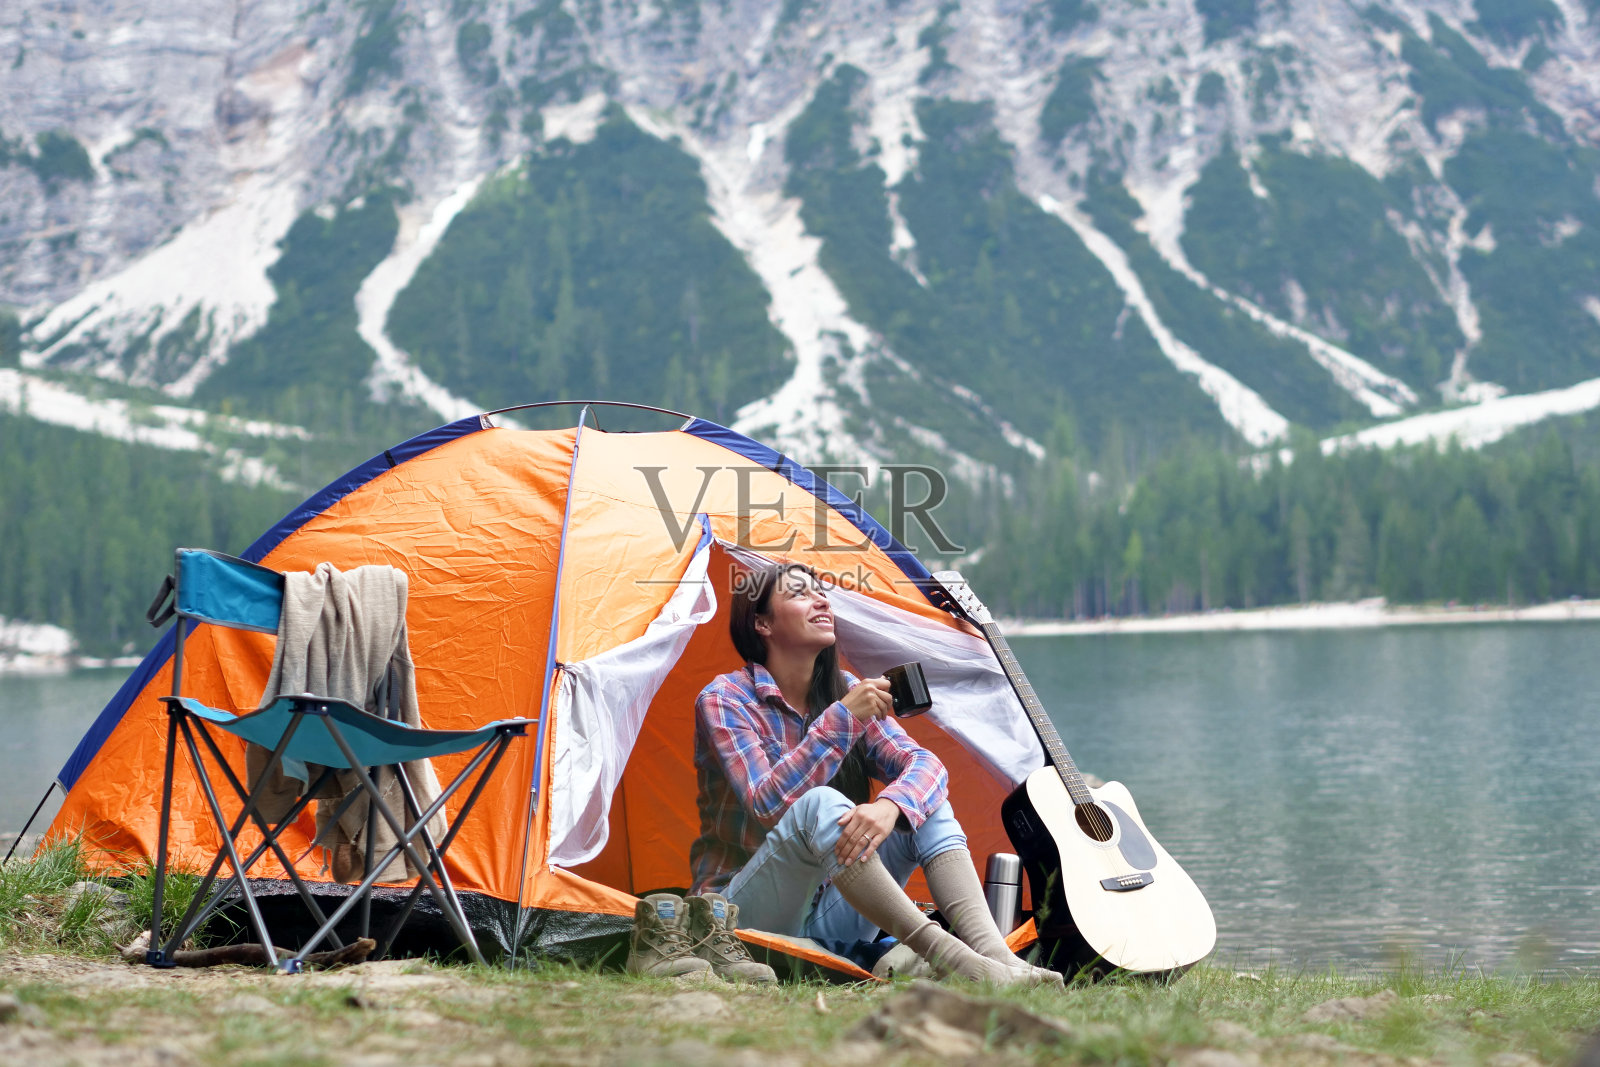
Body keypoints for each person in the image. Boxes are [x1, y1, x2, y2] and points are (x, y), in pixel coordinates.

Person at [687, 562, 1060, 986]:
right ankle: (957, 959)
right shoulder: (726, 700)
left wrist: (890, 806)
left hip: (831, 913)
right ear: (762, 623)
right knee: (822, 805)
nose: (821, 600)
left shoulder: (845, 687)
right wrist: (843, 717)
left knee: (922, 803)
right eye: (799, 594)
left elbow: (927, 766)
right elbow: (767, 805)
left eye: (821, 592)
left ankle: (994, 956)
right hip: (743, 917)